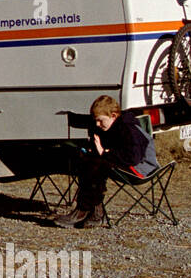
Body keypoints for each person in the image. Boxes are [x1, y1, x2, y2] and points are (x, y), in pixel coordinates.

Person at [51, 95, 157, 229]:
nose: (97, 124)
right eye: (96, 121)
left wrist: (105, 153)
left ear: (113, 115)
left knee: (97, 164)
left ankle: (83, 210)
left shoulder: (128, 127)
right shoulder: (111, 125)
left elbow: (133, 157)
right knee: (88, 161)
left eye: (100, 121)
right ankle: (94, 213)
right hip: (127, 162)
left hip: (141, 167)